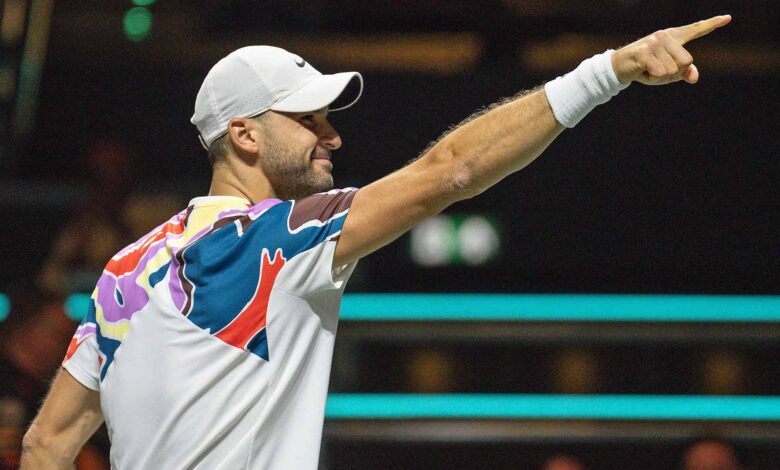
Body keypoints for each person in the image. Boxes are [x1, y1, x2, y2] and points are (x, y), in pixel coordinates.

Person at [21, 15, 732, 470]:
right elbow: (452, 171)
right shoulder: (284, 239)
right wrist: (607, 73)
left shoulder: (125, 270)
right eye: (308, 120)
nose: (331, 136)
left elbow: (46, 444)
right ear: (244, 135)